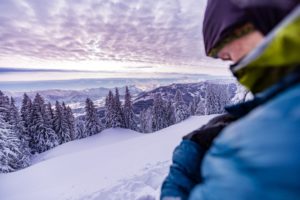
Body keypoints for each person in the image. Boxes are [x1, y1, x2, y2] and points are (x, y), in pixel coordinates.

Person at [160, 0, 300, 199]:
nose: (222, 57)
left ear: (262, 19)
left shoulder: (248, 150)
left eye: (224, 40)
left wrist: (183, 167)